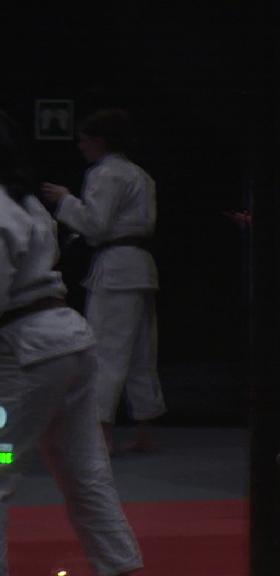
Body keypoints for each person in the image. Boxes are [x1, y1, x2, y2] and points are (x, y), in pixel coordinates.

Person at [0, 110, 143, 575]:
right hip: (69, 344)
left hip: (26, 357)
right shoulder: (25, 202)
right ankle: (120, 566)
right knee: (87, 473)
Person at [39, 108, 164, 453]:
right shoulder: (140, 174)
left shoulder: (105, 173)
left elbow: (96, 225)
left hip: (116, 269)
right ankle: (144, 431)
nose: (81, 147)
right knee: (141, 352)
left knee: (106, 351)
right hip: (139, 267)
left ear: (97, 140)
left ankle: (102, 434)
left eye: (83, 141)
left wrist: (65, 200)